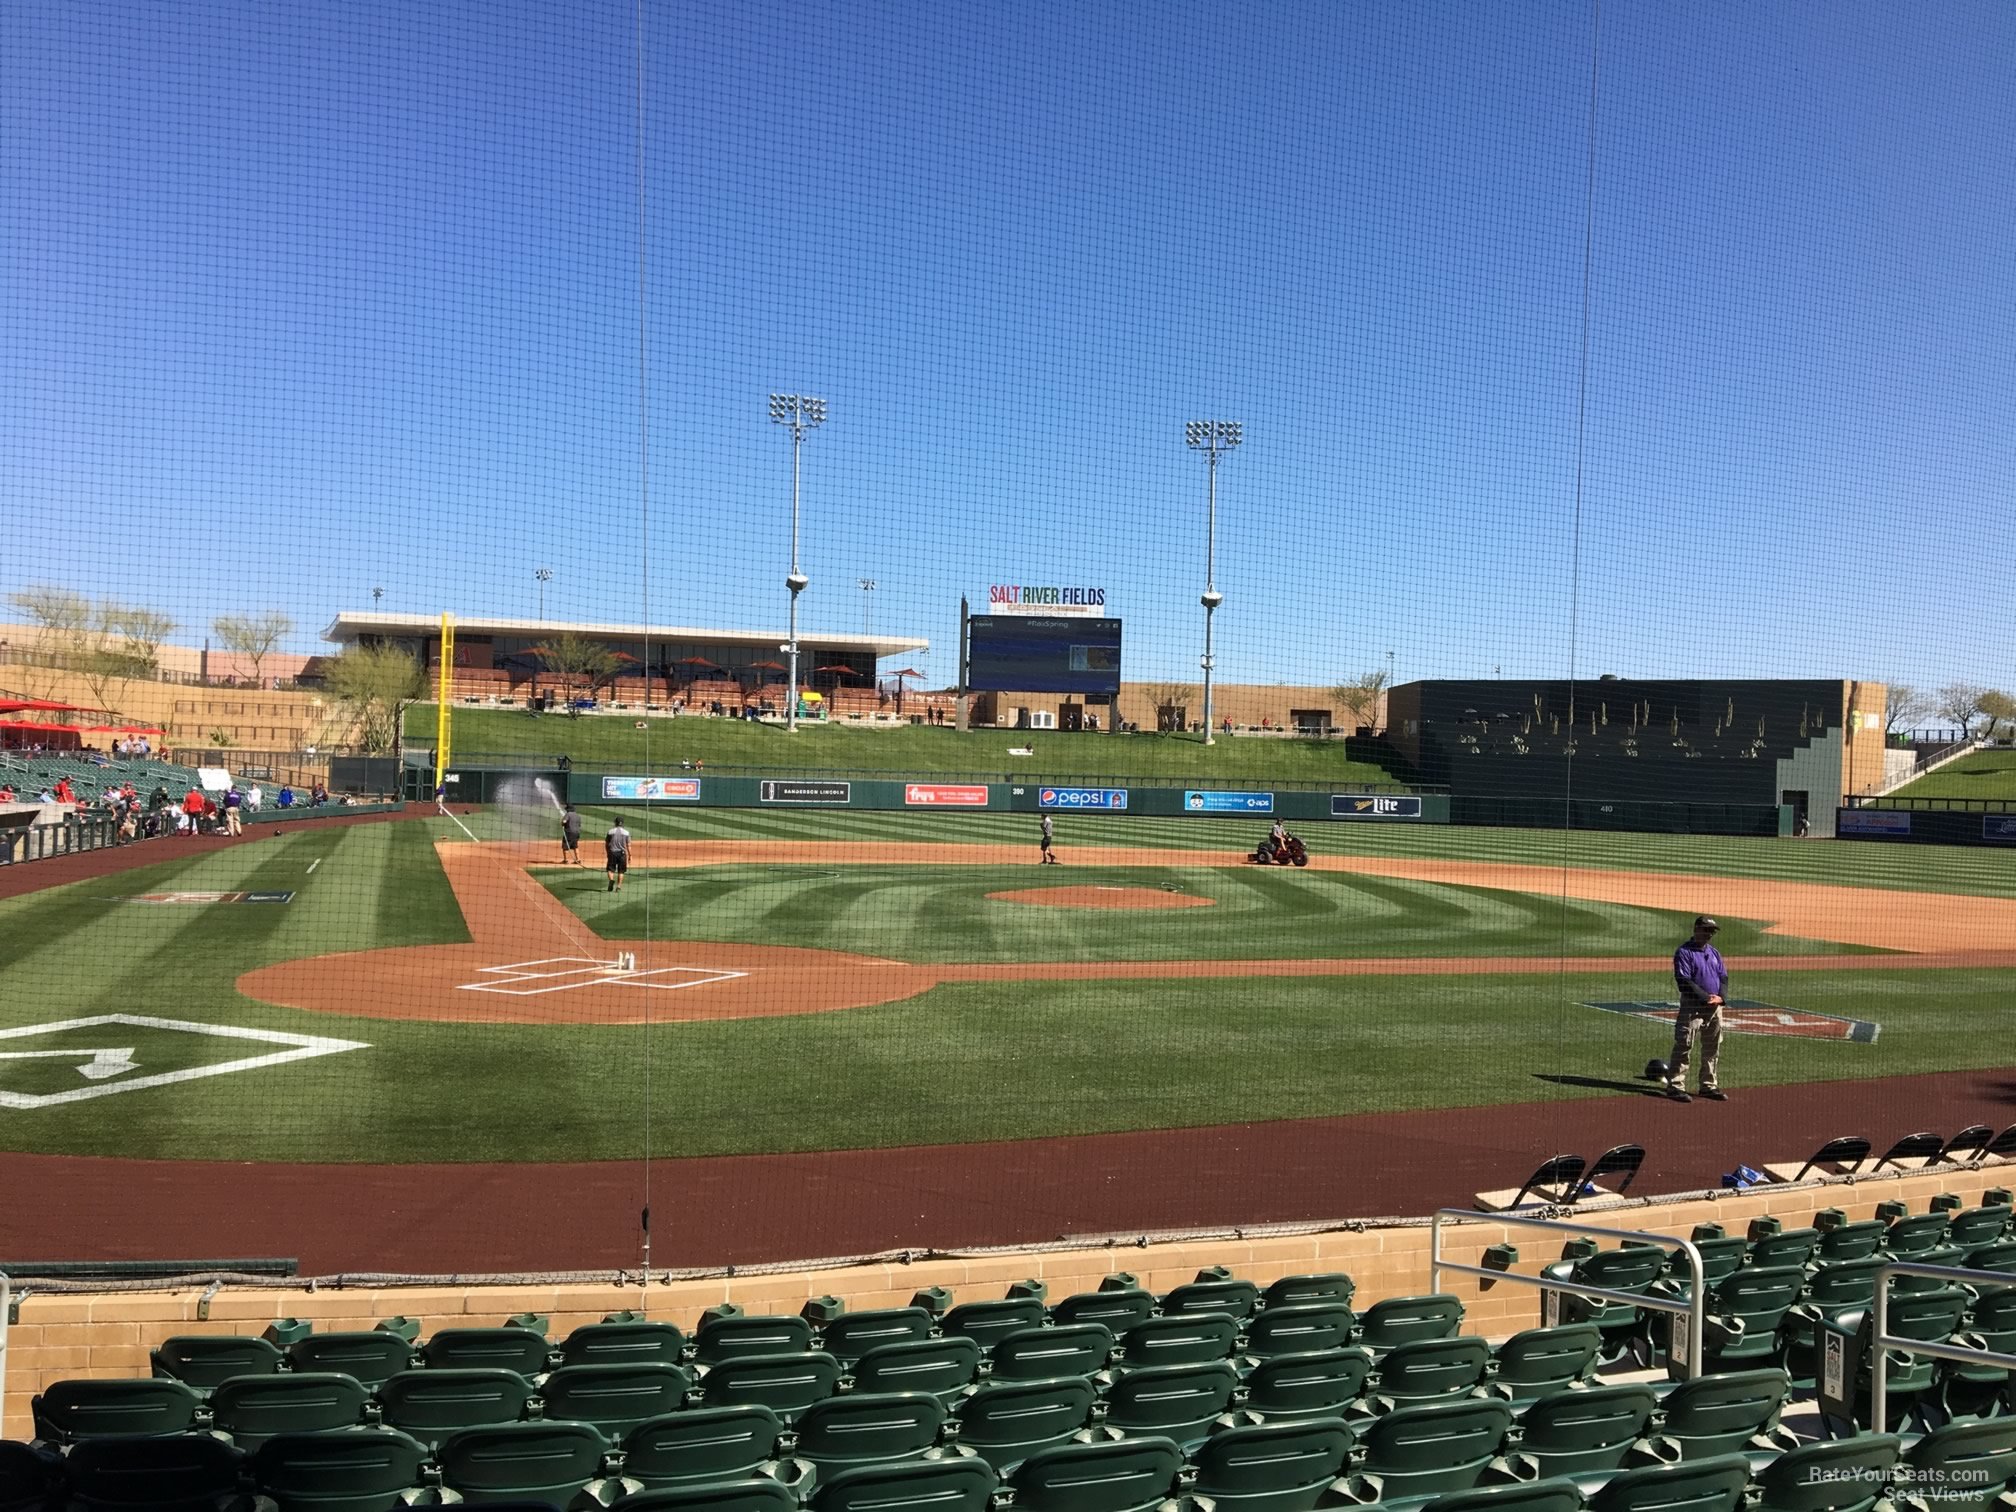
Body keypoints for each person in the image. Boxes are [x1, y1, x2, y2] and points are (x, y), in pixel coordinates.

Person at [1665, 915, 1729, 1103]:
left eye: (1712, 931)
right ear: (1696, 929)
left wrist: (1721, 998)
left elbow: (1723, 977)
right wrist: (1705, 997)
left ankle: (1708, 1086)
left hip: (1715, 1008)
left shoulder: (1714, 953)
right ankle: (1675, 1086)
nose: (1709, 934)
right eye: (1706, 930)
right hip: (1693, 1007)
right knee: (1684, 1045)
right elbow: (1683, 980)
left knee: (1712, 1048)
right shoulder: (1684, 952)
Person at [605, 818, 631, 891]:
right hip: (622, 854)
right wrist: (630, 855)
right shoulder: (626, 832)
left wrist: (608, 853)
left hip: (612, 852)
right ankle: (618, 886)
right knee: (621, 871)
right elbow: (628, 845)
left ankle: (611, 880)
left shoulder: (610, 831)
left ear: (615, 823)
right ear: (622, 823)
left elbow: (606, 844)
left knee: (610, 869)